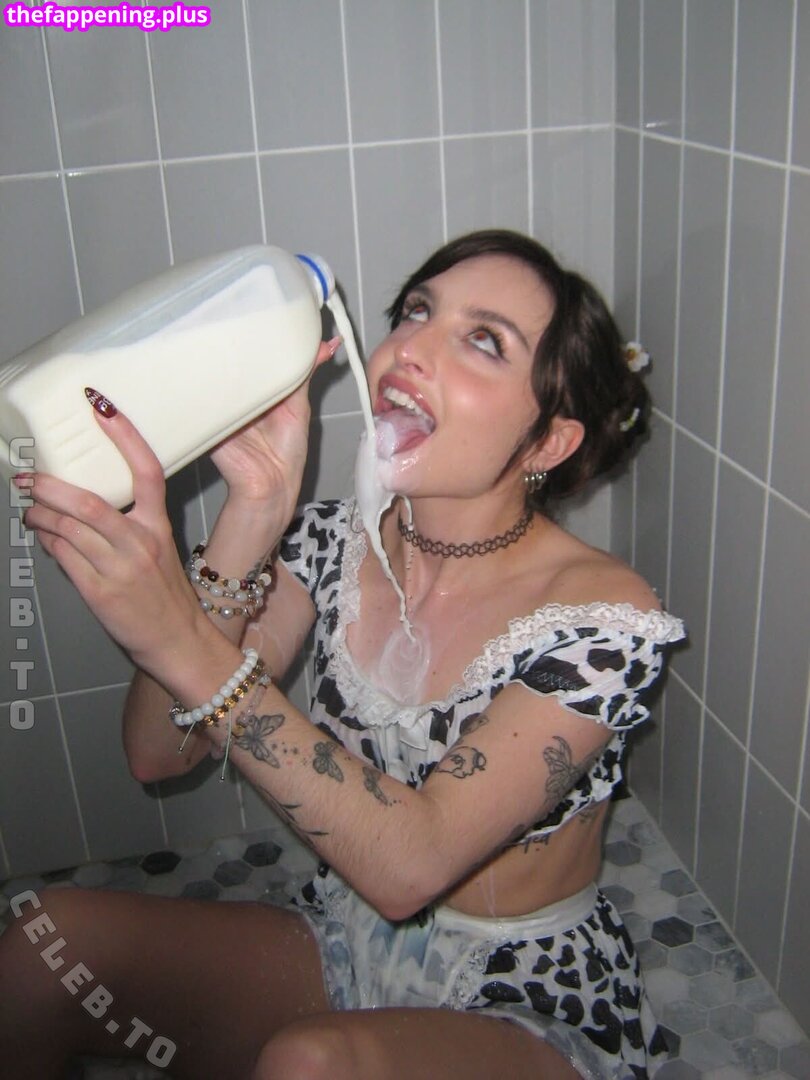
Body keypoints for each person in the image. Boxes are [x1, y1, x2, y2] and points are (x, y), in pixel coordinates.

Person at [0, 230, 684, 1080]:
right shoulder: (330, 542)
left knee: (311, 1064)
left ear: (548, 442)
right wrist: (255, 510)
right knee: (47, 948)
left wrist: (178, 633)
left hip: (527, 995)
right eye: (417, 310)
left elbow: (412, 866)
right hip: (342, 936)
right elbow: (158, 751)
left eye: (483, 340)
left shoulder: (605, 619)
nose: (411, 347)